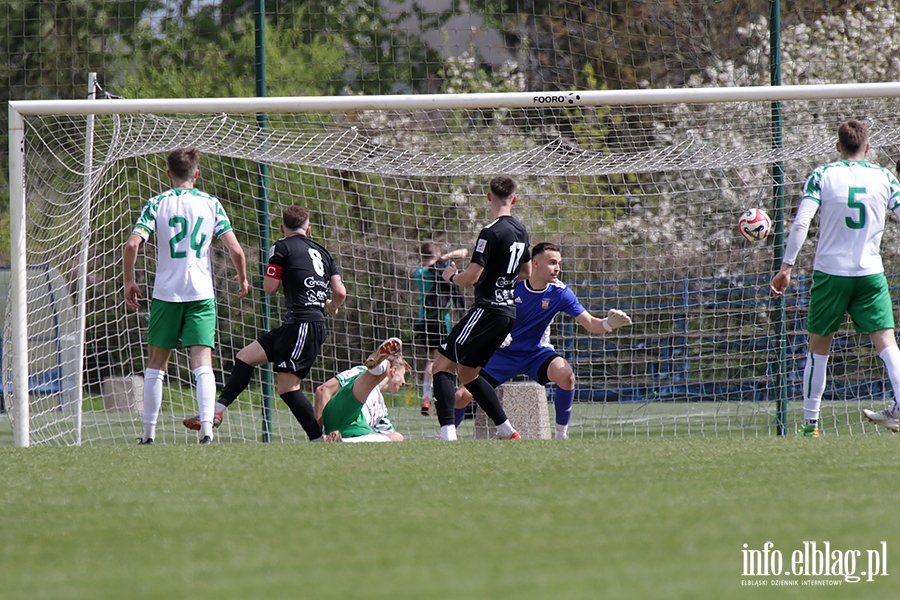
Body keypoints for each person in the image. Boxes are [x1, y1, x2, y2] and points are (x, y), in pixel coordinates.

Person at [770, 119, 900, 436]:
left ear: (838, 147)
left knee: (818, 347)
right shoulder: (885, 177)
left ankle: (810, 426)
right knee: (886, 343)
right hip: (870, 272)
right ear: (867, 147)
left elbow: (802, 224)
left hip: (831, 274)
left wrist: (786, 267)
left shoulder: (823, 175)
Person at [183, 205, 346, 442]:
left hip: (302, 324)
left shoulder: (281, 246)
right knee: (245, 357)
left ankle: (318, 439)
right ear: (308, 230)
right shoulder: (323, 252)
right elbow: (340, 291)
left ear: (282, 227)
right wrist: (331, 304)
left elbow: (270, 288)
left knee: (288, 388)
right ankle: (217, 409)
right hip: (302, 323)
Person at [124, 147, 250, 445]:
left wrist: (129, 280)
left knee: (156, 364)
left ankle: (148, 434)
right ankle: (206, 430)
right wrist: (243, 277)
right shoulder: (211, 203)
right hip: (201, 293)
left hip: (166, 293)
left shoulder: (157, 203)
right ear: (197, 173)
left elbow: (132, 245)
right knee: (202, 362)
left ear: (168, 174)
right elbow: (235, 249)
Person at [453, 242, 633, 439]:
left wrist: (608, 324)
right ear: (536, 263)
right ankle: (448, 435)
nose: (557, 268)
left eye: (559, 263)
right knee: (462, 396)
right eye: (552, 262)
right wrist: (496, 332)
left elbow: (591, 324)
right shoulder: (511, 285)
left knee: (566, 375)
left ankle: (560, 435)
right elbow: (483, 313)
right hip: (500, 355)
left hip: (536, 354)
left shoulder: (561, 293)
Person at [431, 175, 531, 441]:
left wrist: (450, 276)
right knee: (468, 373)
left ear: (489, 197)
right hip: (508, 314)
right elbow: (526, 272)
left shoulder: (491, 231)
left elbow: (470, 278)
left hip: (487, 310)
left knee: (440, 366)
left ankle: (447, 433)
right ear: (515, 199)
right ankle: (506, 430)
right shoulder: (521, 231)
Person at [316, 337, 409, 442]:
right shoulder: (361, 371)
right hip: (340, 414)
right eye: (403, 375)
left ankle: (344, 441)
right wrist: (317, 434)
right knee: (381, 369)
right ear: (395, 371)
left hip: (352, 430)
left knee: (398, 437)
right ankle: (378, 363)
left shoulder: (381, 408)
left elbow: (389, 434)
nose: (404, 382)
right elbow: (323, 390)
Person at [414, 241, 468, 416]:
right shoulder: (440, 269)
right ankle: (441, 399)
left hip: (423, 321)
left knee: (431, 360)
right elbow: (464, 252)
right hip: (439, 322)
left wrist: (439, 259)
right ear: (436, 254)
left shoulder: (418, 272)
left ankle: (426, 397)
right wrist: (443, 258)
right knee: (444, 362)